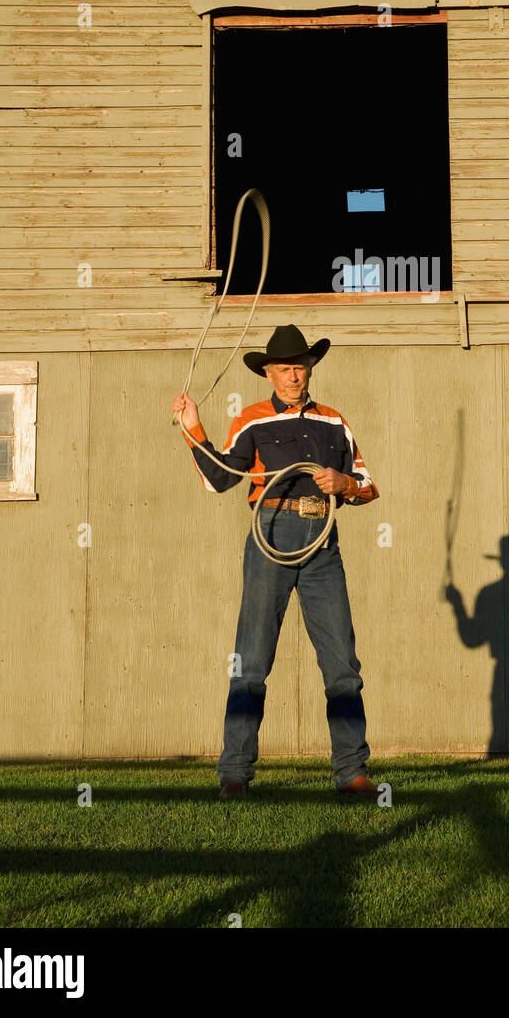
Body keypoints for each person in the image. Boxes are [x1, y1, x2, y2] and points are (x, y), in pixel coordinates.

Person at [171, 324, 380, 802]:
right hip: (271, 533)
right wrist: (193, 427)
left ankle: (352, 772)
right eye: (284, 369)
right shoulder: (251, 420)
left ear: (310, 369)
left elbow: (368, 483)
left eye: (300, 367)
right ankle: (235, 774)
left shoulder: (335, 422)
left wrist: (345, 485)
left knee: (343, 664)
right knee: (251, 660)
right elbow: (219, 479)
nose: (293, 376)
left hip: (323, 539)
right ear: (268, 373)